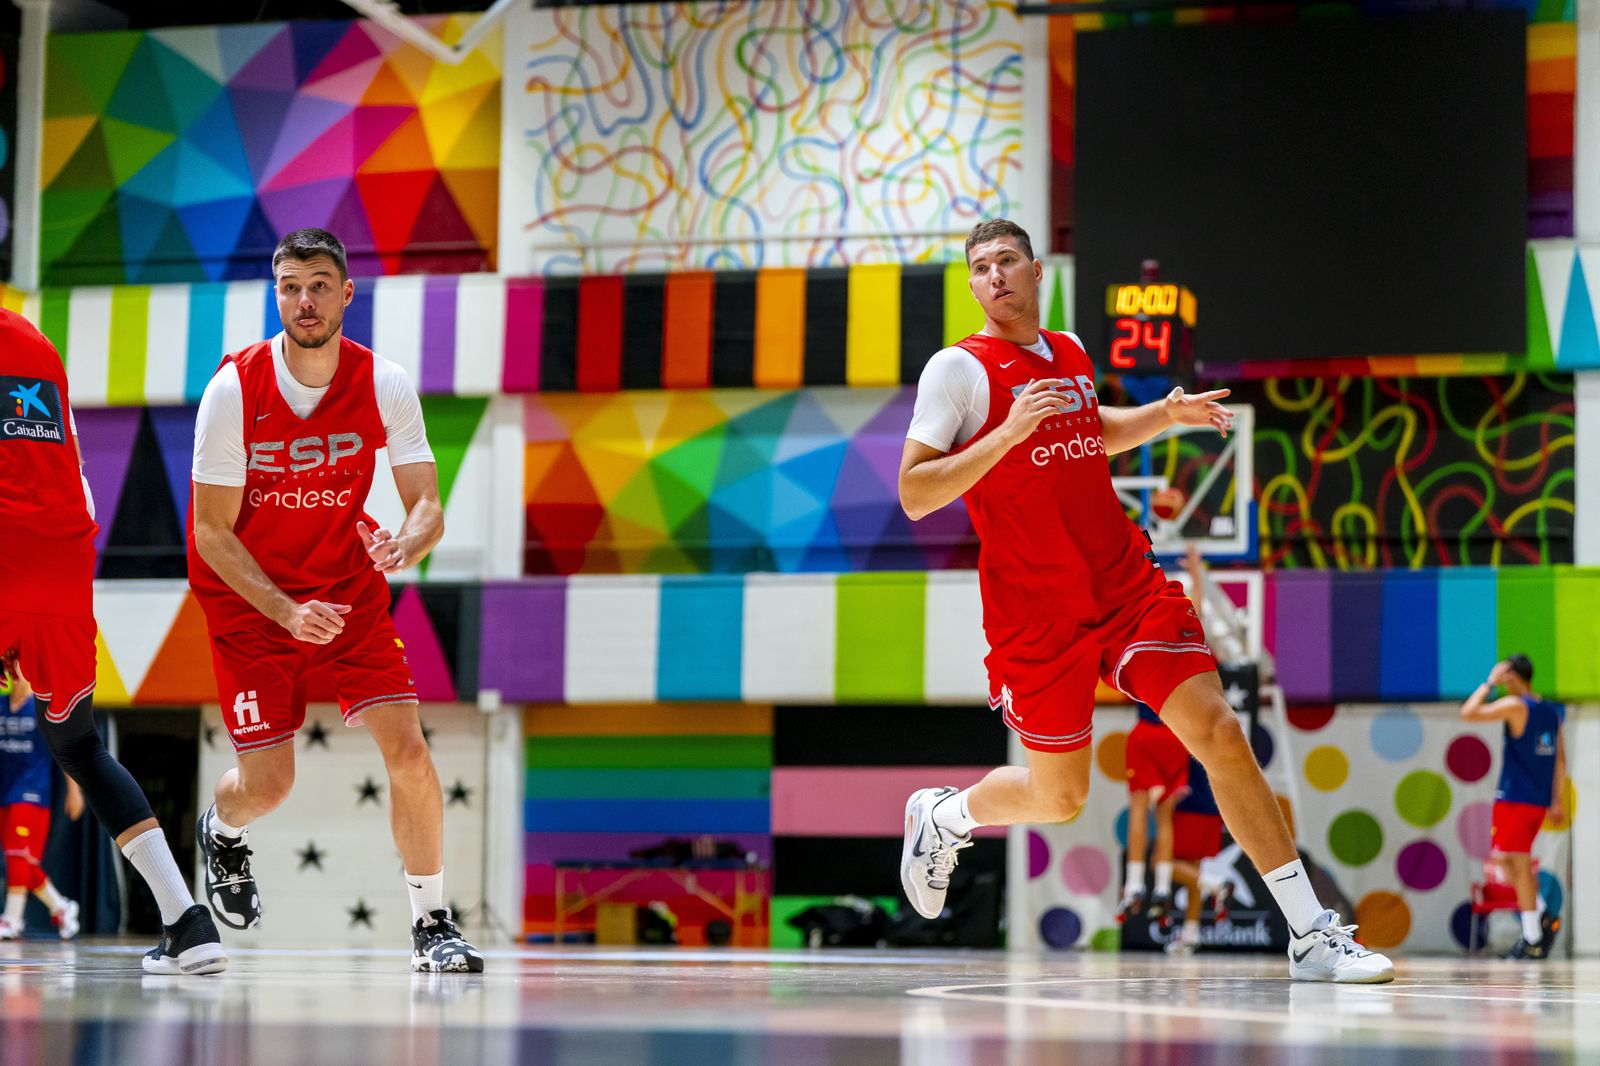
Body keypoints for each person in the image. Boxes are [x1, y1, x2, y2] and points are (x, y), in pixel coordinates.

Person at [896, 218, 1393, 982]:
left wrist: (1161, 414)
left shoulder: (1070, 353)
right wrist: (1004, 435)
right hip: (1037, 611)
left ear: (1036, 273)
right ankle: (946, 815)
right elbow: (915, 492)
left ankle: (1310, 935)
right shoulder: (957, 372)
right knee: (1057, 798)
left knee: (1221, 733)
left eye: (1005, 262)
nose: (992, 276)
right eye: (978, 267)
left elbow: (1089, 431)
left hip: (1124, 583)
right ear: (972, 286)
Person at [187, 228, 482, 973]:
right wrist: (285, 610)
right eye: (290, 285)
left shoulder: (384, 382)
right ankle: (222, 830)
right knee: (270, 786)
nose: (304, 299)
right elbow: (212, 533)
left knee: (410, 753)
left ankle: (431, 922)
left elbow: (428, 506)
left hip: (347, 591)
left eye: (319, 284)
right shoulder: (234, 390)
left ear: (347, 292)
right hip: (250, 600)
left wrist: (405, 546)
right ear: (275, 293)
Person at [0, 309, 225, 974]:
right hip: (62, 567)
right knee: (77, 744)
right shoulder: (35, 342)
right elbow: (79, 482)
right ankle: (188, 922)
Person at [1460, 653, 1566, 960]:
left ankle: (1533, 937)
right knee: (1510, 864)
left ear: (1511, 676)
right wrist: (1557, 800)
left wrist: (1488, 683)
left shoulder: (1516, 705)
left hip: (1516, 798)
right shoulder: (1550, 712)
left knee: (1510, 863)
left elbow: (1469, 713)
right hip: (1537, 802)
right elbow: (1560, 759)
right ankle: (1540, 917)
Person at [0, 665, 83, 940]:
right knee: (23, 862)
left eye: (21, 670)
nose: (15, 675)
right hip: (5, 792)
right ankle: (61, 906)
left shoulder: (41, 708)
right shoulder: (2, 706)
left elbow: (63, 752)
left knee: (17, 856)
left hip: (32, 795)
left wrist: (74, 790)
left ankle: (12, 919)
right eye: (11, 670)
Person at [1118, 702, 1187, 927]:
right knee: (1165, 817)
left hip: (1146, 734)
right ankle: (1163, 888)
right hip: (1176, 736)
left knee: (1138, 811)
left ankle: (1134, 885)